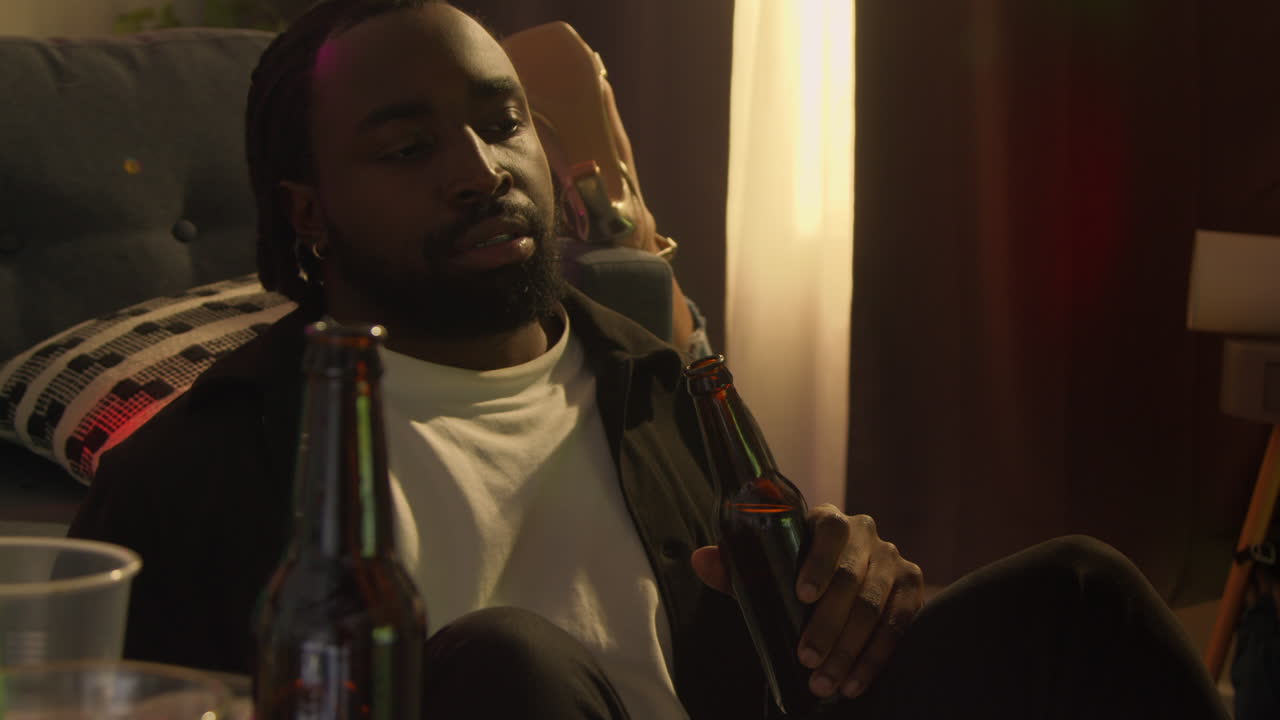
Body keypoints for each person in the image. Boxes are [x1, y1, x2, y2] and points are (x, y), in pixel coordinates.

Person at [69, 1, 1229, 718]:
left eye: (502, 120)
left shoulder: (655, 378)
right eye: (410, 146)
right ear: (307, 213)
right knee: (505, 664)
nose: (481, 168)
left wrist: (851, 590)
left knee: (1075, 596)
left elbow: (778, 654)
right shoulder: (202, 468)